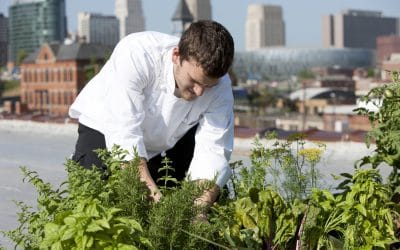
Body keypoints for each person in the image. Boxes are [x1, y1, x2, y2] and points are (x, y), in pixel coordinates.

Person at [69, 20, 235, 210]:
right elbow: (125, 135)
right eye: (194, 81)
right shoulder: (136, 53)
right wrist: (159, 206)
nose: (199, 92)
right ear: (176, 55)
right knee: (89, 201)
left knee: (187, 204)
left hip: (167, 140)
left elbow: (214, 152)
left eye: (208, 85)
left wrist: (198, 210)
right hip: (103, 128)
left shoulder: (221, 88)